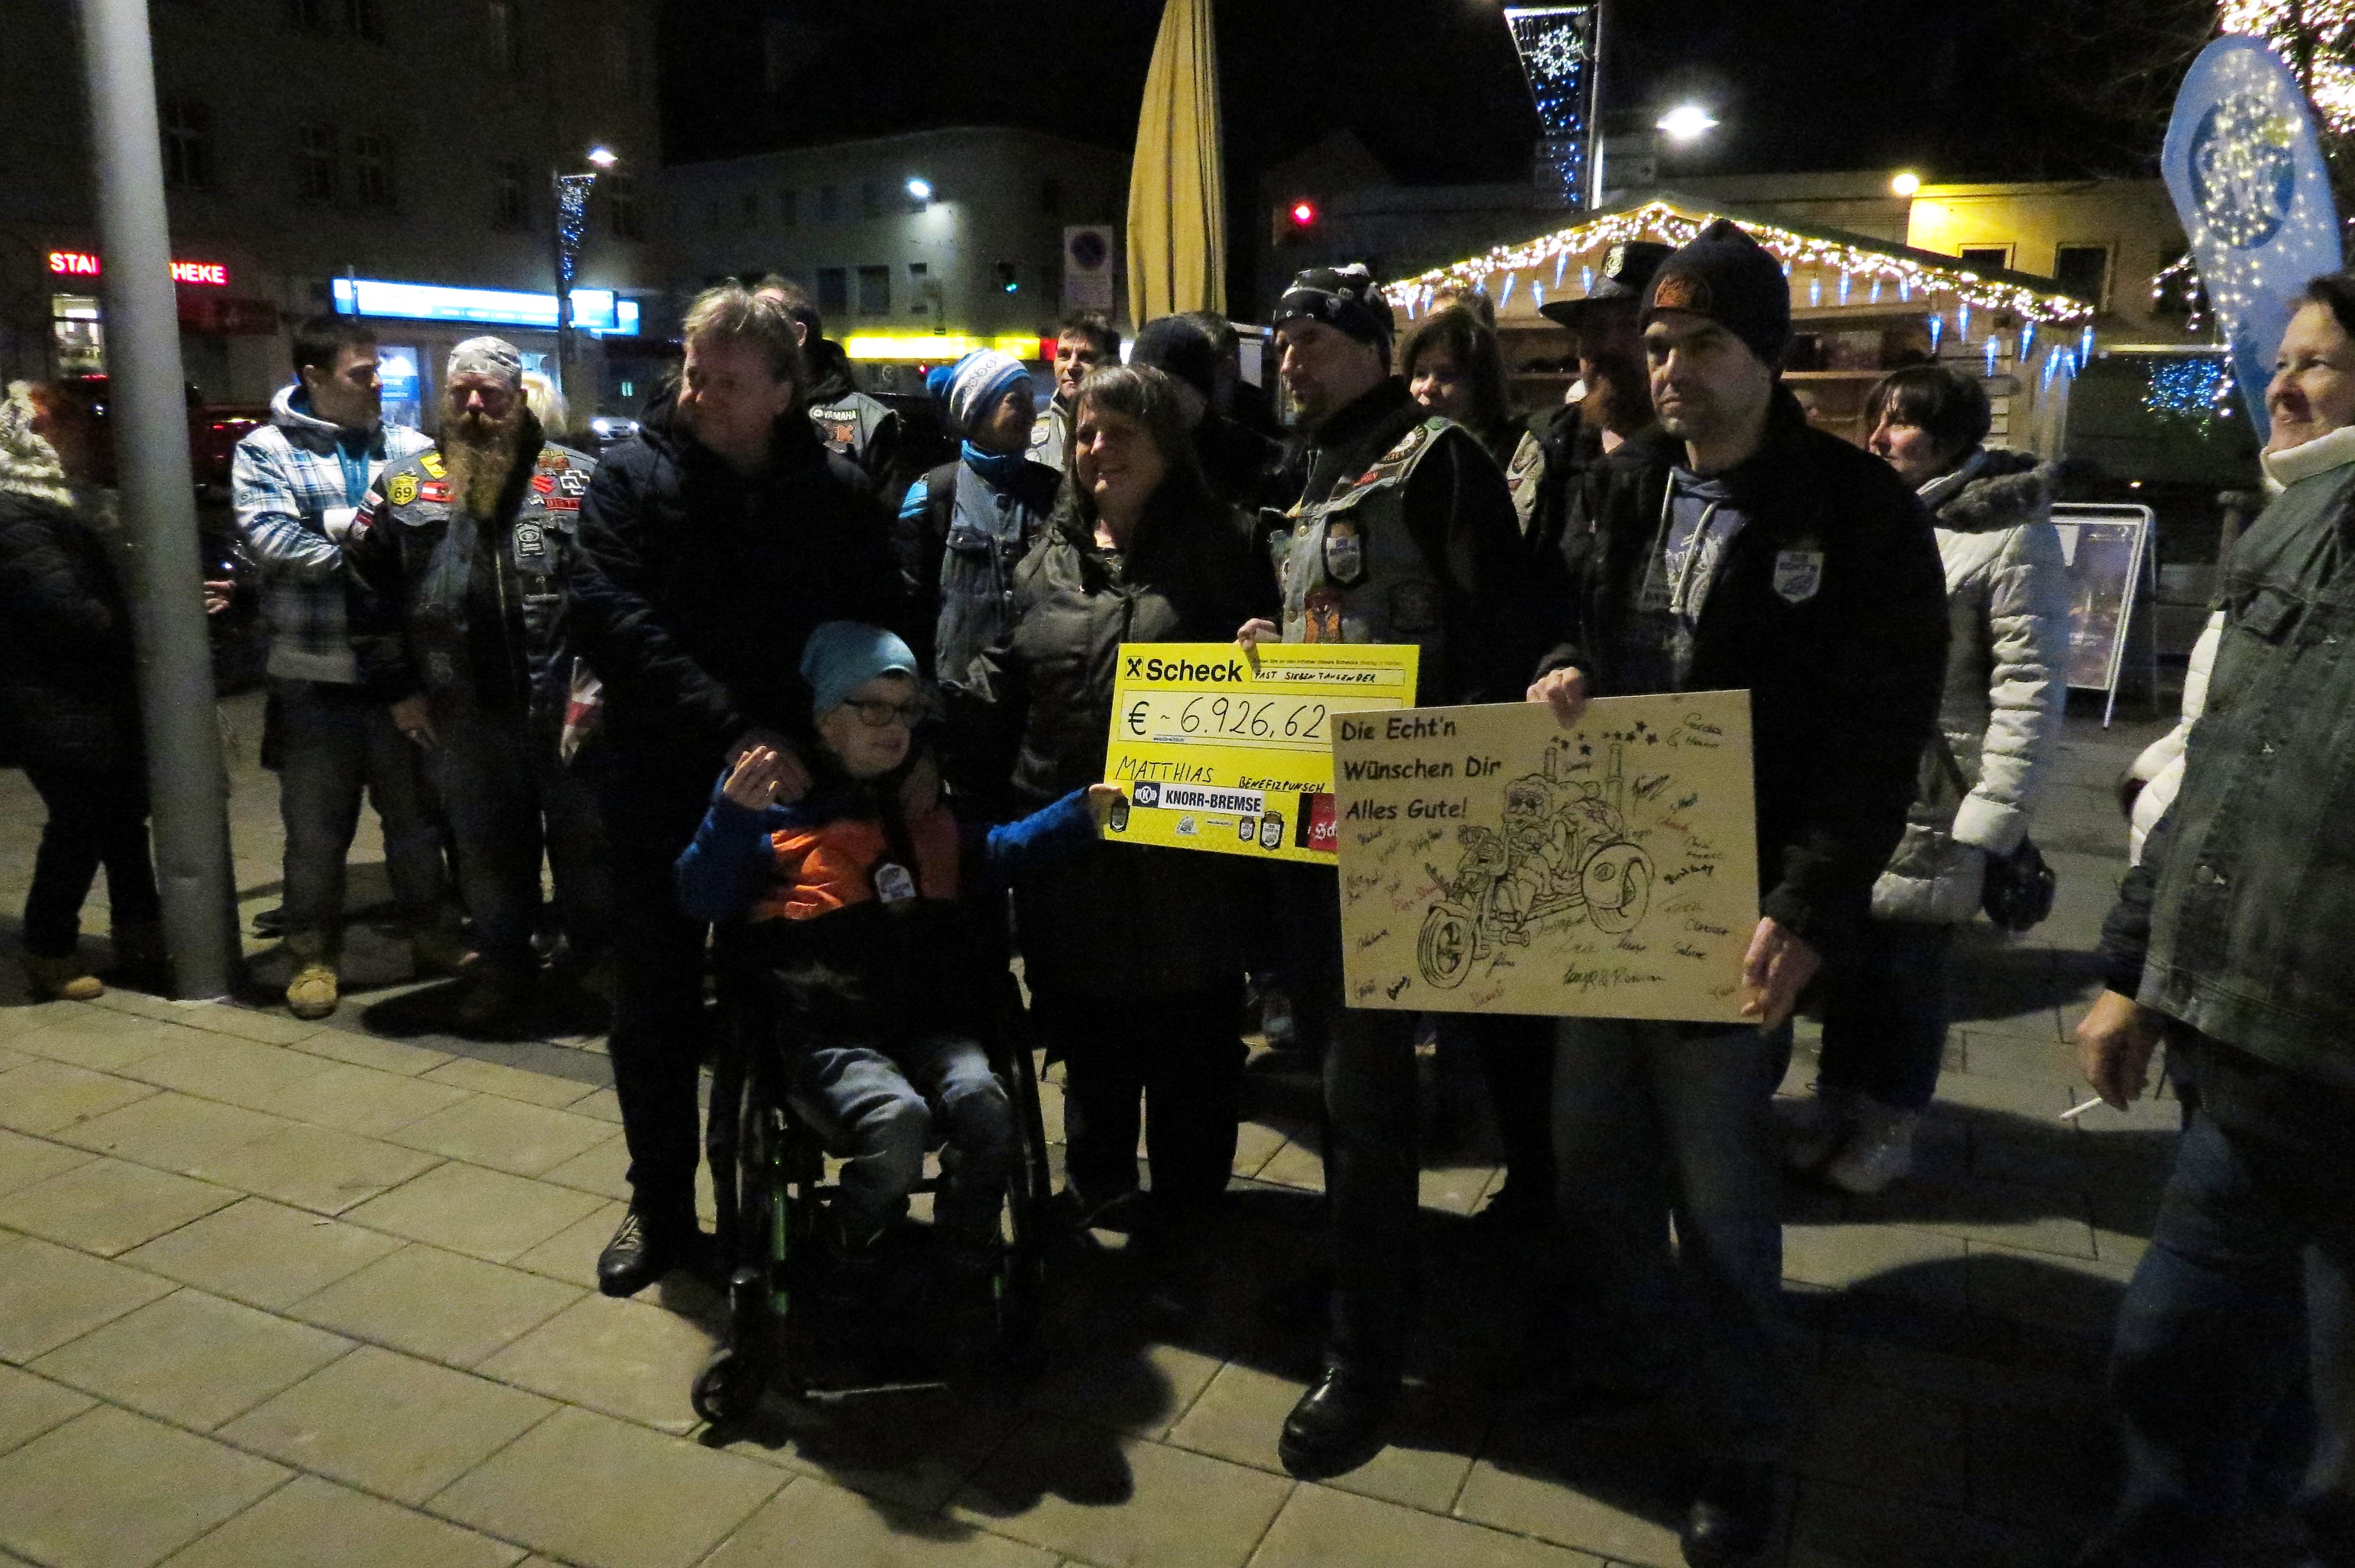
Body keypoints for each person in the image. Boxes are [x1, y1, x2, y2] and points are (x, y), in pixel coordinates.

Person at [1526, 219, 1947, 1565]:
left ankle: (1741, 1442)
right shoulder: (1622, 483)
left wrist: (1807, 904)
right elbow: (1562, 609)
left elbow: (1876, 734)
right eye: (1656, 344)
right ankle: (1628, 1360)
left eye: (1701, 342)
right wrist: (1556, 666)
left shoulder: (1855, 513)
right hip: (1605, 885)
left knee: (1718, 1194)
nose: (1669, 368)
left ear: (1767, 353)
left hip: (1740, 900)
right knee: (1593, 1163)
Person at [2072, 274, 2355, 1568]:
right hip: (2243, 1044)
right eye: (2283, 361)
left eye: (2321, 363)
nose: (2285, 386)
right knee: (2174, 1355)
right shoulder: (2291, 527)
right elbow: (2217, 770)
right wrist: (2131, 973)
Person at [1235, 265, 1534, 1481]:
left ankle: (1365, 1356)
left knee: (1368, 1089)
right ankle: (1365, 1276)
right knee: (1333, 1083)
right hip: (1317, 825)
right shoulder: (1313, 471)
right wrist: (1272, 651)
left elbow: (1499, 638)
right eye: (1281, 344)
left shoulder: (1436, 460)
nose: (1289, 361)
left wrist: (1450, 799)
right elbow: (1333, 622)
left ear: (1371, 347)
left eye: (1311, 339)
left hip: (1406, 828)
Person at [568, 283, 910, 1298]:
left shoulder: (834, 489)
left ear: (780, 391)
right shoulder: (630, 476)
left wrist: (881, 731)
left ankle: (778, 1192)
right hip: (663, 775)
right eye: (693, 374)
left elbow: (881, 613)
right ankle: (662, 1205)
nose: (699, 394)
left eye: (725, 381)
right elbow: (610, 613)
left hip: (804, 778)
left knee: (793, 984)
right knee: (656, 1001)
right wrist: (730, 727)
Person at [675, 622, 1116, 1339]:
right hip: (830, 1032)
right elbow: (701, 895)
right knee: (897, 1123)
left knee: (987, 1106)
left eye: (905, 710)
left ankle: (965, 1243)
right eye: (872, 708)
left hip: (930, 1021)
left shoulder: (926, 812)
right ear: (825, 719)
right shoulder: (775, 819)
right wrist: (729, 819)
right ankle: (853, 1238)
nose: (894, 726)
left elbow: (996, 853)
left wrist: (1077, 816)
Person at [951, 364, 1271, 1240]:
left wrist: (1274, 655)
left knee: (1194, 1056)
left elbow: (1287, 691)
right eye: (1086, 433)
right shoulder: (1046, 560)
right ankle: (1097, 1192)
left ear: (1167, 444)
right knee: (1091, 1051)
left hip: (1192, 872)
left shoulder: (1228, 548)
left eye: (1121, 432)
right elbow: (999, 687)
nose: (1097, 449)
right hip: (1076, 866)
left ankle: (1190, 1216)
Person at [1783, 365, 2068, 1194]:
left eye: (1901, 422)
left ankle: (1890, 1125)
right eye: (1876, 418)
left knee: (1908, 972)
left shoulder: (2007, 533)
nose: (1878, 436)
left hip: (1939, 791)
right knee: (1846, 959)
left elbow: (2030, 683)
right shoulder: (1869, 514)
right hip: (1856, 778)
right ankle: (1836, 1102)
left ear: (1950, 436)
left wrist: (1997, 810)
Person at [341, 338, 613, 1034]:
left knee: (588, 851)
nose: (472, 405)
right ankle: (503, 970)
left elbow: (619, 588)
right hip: (461, 714)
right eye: (460, 391)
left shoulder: (576, 478)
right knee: (486, 856)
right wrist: (397, 687)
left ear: (517, 399)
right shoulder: (403, 484)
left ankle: (597, 968)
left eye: (488, 393)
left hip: (568, 711)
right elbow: (366, 591)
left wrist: (610, 684)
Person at [231, 314, 458, 1020]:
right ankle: (311, 955)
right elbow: (271, 538)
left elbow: (439, 540)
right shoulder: (265, 450)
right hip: (313, 676)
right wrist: (376, 552)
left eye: (378, 369)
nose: (379, 383)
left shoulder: (410, 448)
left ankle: (433, 938)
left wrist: (335, 530)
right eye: (363, 373)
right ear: (315, 377)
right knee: (315, 831)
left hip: (400, 681)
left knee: (416, 822)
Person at [0, 383, 170, 999]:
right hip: (51, 697)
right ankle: (48, 948)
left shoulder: (65, 501)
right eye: (73, 425)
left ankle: (141, 932)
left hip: (87, 695)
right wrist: (148, 623)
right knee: (81, 821)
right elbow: (65, 608)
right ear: (39, 433)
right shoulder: (16, 509)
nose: (87, 438)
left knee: (121, 818)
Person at [895, 349, 1057, 685]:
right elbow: (909, 605)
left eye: (1031, 400)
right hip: (958, 693)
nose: (1032, 413)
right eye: (1016, 401)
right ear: (977, 411)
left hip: (1037, 688)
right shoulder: (933, 494)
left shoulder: (1055, 491)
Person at [1514, 241, 1675, 553]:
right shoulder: (1546, 445)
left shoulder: (1701, 458)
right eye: (1595, 329)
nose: (1608, 347)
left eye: (1631, 327)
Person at [755, 275, 906, 491]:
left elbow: (885, 508)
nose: (748, 333)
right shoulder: (733, 408)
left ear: (798, 335)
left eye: (764, 320)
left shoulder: (867, 420)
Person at [1131, 314, 1280, 511]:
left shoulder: (1258, 461)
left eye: (1162, 387)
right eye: (1136, 388)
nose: (1148, 401)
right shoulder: (1124, 444)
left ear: (1201, 393)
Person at [1398, 305, 1525, 473]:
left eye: (1446, 375)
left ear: (1480, 385)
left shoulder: (1515, 452)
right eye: (1420, 374)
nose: (1427, 388)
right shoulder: (1397, 445)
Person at [1030, 310, 1120, 471]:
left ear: (1113, 365)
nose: (1072, 366)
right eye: (1064, 355)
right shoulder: (1030, 432)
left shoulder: (1128, 431)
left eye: (1086, 357)